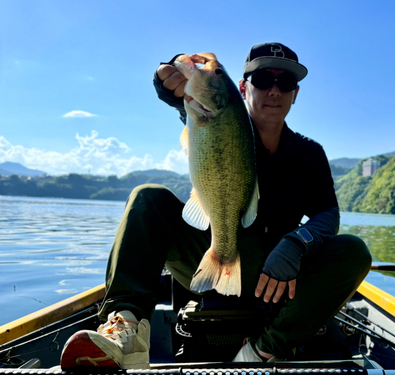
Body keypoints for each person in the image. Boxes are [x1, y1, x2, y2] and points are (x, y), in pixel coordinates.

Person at [60, 42, 372, 369]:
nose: (274, 90)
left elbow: (328, 214)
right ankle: (127, 330)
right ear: (242, 87)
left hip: (276, 278)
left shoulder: (309, 153)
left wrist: (297, 245)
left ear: (296, 94)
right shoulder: (217, 117)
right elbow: (180, 98)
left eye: (286, 83)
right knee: (147, 198)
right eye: (264, 79)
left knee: (352, 251)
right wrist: (169, 79)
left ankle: (263, 350)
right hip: (207, 256)